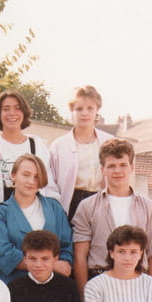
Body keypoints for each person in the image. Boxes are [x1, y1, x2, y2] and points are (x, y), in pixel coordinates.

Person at [72, 138, 152, 301]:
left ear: (131, 167)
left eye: (123, 165)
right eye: (111, 166)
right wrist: (85, 299)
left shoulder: (148, 207)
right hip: (99, 282)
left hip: (137, 283)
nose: (117, 171)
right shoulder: (87, 207)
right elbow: (80, 256)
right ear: (102, 169)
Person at [0, 154, 72, 284]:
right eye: (25, 175)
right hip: (14, 284)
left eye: (36, 177)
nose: (31, 181)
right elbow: (1, 254)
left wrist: (64, 264)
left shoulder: (54, 208)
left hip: (52, 283)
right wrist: (49, 265)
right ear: (13, 176)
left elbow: (66, 246)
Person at [0, 90, 59, 213]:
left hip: (35, 217)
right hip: (0, 218)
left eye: (17, 108)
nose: (12, 113)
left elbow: (49, 188)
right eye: (6, 109)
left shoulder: (39, 147)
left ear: (24, 112)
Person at [48, 86, 113, 220]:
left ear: (97, 110)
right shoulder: (58, 146)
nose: (85, 113)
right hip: (70, 205)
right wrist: (57, 211)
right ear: (71, 110)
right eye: (79, 109)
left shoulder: (109, 142)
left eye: (90, 108)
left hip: (102, 203)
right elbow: (50, 185)